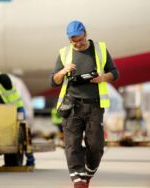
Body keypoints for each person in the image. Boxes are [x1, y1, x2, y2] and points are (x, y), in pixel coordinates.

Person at [51, 20, 119, 188]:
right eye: (74, 41)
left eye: (80, 39)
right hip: (72, 106)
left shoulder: (100, 49)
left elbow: (115, 73)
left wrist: (103, 77)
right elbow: (54, 81)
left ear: (85, 34)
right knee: (72, 145)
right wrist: (62, 71)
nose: (78, 44)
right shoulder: (64, 53)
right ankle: (78, 180)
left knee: (96, 145)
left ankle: (88, 172)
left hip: (94, 106)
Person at [0, 65, 35, 166]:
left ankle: (30, 160)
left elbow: (6, 83)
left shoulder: (3, 78)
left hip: (17, 109)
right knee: (8, 135)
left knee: (23, 135)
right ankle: (10, 158)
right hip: (5, 112)